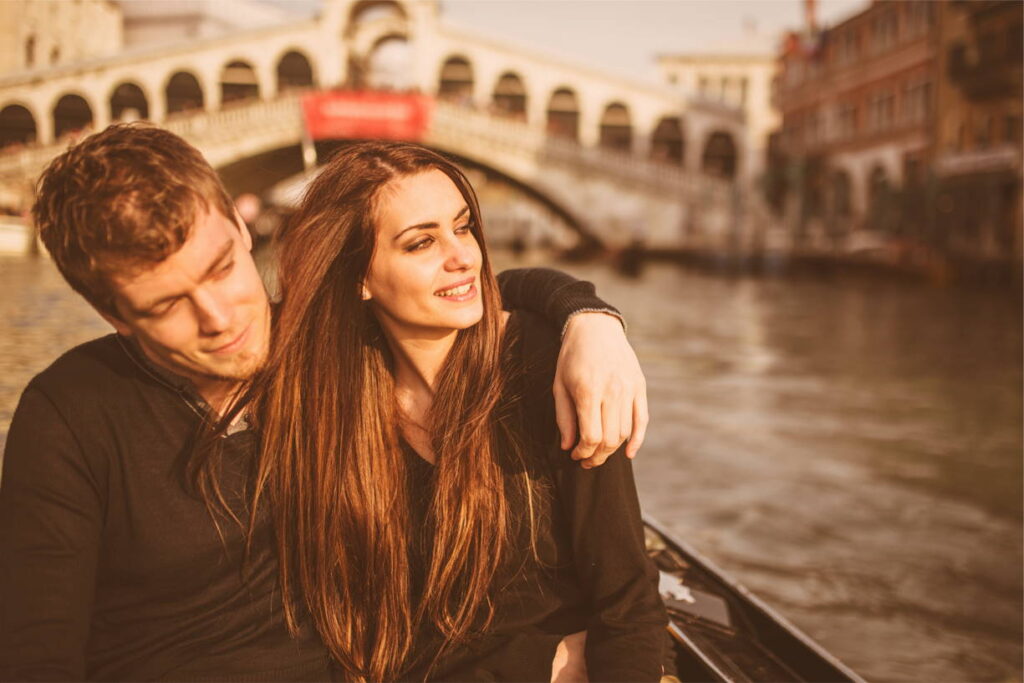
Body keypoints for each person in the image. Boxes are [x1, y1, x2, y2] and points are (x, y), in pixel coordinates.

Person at [0, 124, 649, 681]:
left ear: (239, 223)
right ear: (112, 314)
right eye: (168, 305)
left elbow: (455, 286)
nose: (220, 318)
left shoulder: (317, 343)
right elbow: (37, 655)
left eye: (224, 266)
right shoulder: (69, 412)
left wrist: (587, 316)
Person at [238, 141, 666, 682]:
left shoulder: (544, 365)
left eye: (462, 228)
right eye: (421, 243)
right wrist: (534, 665)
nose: (463, 255)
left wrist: (590, 315)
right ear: (358, 278)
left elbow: (628, 606)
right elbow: (353, 634)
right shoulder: (323, 406)